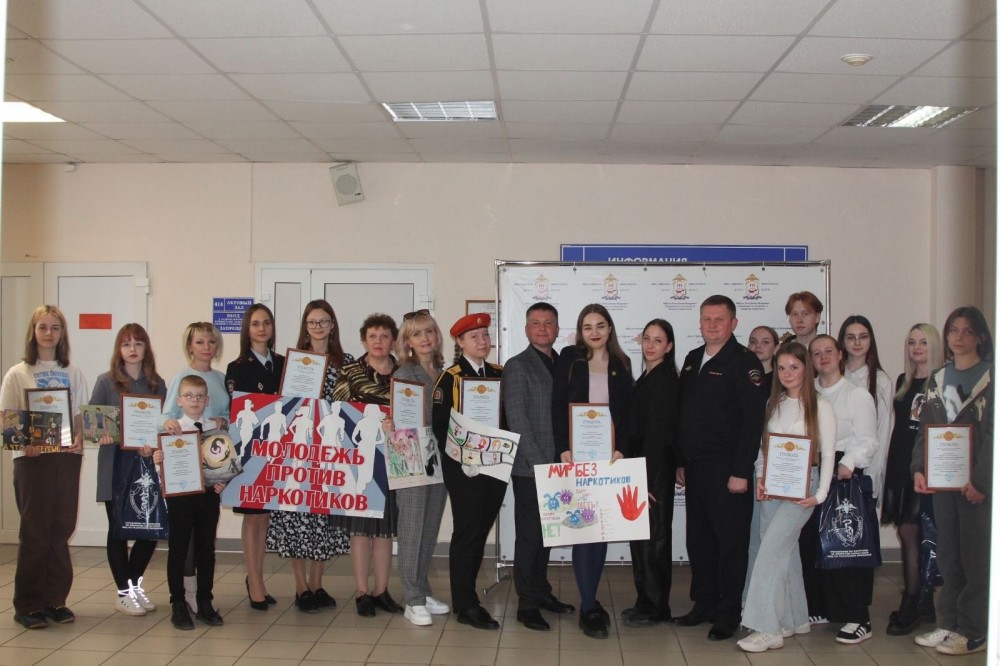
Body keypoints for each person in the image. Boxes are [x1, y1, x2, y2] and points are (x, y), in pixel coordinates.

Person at [673, 295, 767, 641]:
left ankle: (728, 613)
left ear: (733, 324)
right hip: (695, 467)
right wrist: (681, 461)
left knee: (730, 542)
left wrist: (741, 471)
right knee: (699, 540)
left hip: (728, 468)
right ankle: (704, 604)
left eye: (719, 319)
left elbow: (752, 421)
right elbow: (684, 413)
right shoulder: (692, 359)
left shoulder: (744, 362)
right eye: (707, 319)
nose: (712, 325)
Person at [737, 342, 836, 652]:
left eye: (794, 367)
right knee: (785, 551)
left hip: (803, 490)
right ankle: (794, 619)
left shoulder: (821, 406)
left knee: (770, 553)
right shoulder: (774, 403)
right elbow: (763, 447)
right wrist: (761, 477)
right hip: (772, 486)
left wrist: (820, 495)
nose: (787, 373)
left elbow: (829, 454)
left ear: (806, 368)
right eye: (781, 368)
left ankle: (767, 628)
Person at [911, 307, 993, 656]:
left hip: (976, 487)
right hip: (943, 482)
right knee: (948, 554)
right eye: (953, 331)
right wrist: (919, 468)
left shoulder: (990, 377)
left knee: (975, 557)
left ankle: (973, 630)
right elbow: (925, 429)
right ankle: (948, 622)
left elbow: (993, 436)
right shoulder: (937, 379)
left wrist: (981, 481)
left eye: (967, 331)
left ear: (980, 337)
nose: (959, 338)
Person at [0, 305, 87, 629]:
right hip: (32, 460)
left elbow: (79, 414)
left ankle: (55, 601)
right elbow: (7, 417)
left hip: (66, 457)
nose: (49, 333)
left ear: (63, 333)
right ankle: (28, 605)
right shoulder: (18, 372)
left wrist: (79, 437)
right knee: (35, 530)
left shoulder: (73, 371)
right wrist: (25, 442)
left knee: (61, 527)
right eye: (43, 327)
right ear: (33, 331)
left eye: (55, 327)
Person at [552, 304, 633, 639]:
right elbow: (557, 406)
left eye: (600, 325)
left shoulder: (622, 364)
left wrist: (621, 448)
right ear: (580, 331)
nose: (595, 332)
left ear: (610, 329)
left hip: (609, 460)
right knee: (584, 529)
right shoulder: (570, 359)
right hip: (576, 458)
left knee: (600, 531)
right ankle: (588, 606)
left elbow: (628, 413)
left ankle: (591, 599)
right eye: (588, 327)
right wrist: (563, 447)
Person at [266, 300, 352, 613]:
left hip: (330, 453)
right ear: (305, 326)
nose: (318, 327)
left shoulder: (346, 363)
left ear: (333, 325)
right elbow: (282, 405)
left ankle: (318, 584)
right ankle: (301, 586)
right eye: (312, 321)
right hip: (299, 453)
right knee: (297, 517)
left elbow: (350, 406)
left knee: (324, 519)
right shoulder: (292, 362)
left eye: (323, 321)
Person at [503, 303, 575, 632]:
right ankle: (527, 604)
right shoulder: (517, 366)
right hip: (532, 468)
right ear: (527, 329)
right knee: (530, 537)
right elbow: (518, 420)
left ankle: (542, 591)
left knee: (549, 534)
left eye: (549, 323)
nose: (543, 328)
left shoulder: (565, 364)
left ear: (557, 329)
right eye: (536, 323)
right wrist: (541, 466)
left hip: (561, 466)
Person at [431, 312, 503, 630]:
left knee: (480, 531)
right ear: (460, 342)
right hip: (464, 470)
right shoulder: (450, 378)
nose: (482, 341)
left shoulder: (499, 374)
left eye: (485, 335)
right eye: (474, 336)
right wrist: (466, 454)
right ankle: (465, 603)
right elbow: (440, 426)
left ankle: (466, 599)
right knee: (467, 533)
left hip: (495, 466)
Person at [806, 335, 879, 644]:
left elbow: (869, 440)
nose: (823, 357)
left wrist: (848, 462)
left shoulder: (856, 394)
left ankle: (859, 617)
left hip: (844, 474)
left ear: (840, 355)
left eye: (828, 351)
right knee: (814, 543)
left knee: (847, 545)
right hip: (811, 471)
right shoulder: (807, 392)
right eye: (816, 353)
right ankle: (822, 607)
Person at [91, 323, 166, 616]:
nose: (132, 349)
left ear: (146, 347)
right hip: (115, 465)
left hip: (147, 466)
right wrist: (101, 434)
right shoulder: (105, 382)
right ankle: (123, 593)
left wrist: (155, 443)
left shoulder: (157, 384)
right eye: (126, 344)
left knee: (149, 529)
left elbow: (164, 425)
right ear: (118, 350)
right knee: (118, 530)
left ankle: (133, 587)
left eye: (138, 343)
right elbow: (94, 424)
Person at [332, 313, 402, 618]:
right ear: (363, 340)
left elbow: (412, 413)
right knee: (360, 528)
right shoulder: (349, 372)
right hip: (359, 459)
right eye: (372, 336)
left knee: (384, 530)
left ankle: (381, 590)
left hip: (392, 460)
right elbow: (338, 412)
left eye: (384, 336)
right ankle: (362, 591)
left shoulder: (403, 374)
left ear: (393, 341)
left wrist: (396, 424)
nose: (378, 341)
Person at [160, 321, 229, 613]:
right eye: (200, 342)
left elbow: (227, 417)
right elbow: (165, 416)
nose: (206, 347)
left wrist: (224, 420)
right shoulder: (181, 377)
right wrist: (168, 426)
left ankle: (202, 598)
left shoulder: (221, 378)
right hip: (183, 471)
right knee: (181, 544)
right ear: (190, 345)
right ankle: (183, 597)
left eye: (211, 342)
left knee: (204, 544)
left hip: (212, 469)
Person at [881, 324, 943, 635]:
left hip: (926, 465)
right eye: (912, 342)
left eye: (923, 342)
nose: (917, 348)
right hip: (900, 462)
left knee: (916, 531)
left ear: (934, 346)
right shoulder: (904, 381)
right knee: (909, 532)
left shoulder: (943, 382)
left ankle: (914, 600)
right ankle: (923, 601)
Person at [392, 310, 450, 626]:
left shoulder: (444, 373)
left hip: (440, 459)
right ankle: (412, 600)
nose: (425, 338)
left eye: (429, 331)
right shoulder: (405, 373)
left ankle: (423, 591)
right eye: (417, 334)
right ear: (408, 342)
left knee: (429, 528)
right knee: (412, 528)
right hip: (412, 457)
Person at [224, 303, 284, 611]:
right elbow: (237, 410)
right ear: (247, 329)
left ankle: (257, 577)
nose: (262, 328)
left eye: (267, 323)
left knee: (265, 516)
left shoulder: (284, 363)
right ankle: (255, 581)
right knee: (252, 515)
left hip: (277, 451)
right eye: (256, 323)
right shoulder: (238, 367)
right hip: (250, 452)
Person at [622, 318, 678, 628]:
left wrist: (647, 480)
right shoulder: (647, 376)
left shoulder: (665, 381)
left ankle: (657, 606)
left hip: (652, 471)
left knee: (654, 539)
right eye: (647, 339)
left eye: (658, 340)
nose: (651, 345)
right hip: (639, 468)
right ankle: (645, 600)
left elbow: (657, 436)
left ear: (669, 347)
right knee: (641, 538)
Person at [838, 315, 893, 509]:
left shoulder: (881, 381)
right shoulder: (833, 376)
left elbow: (883, 432)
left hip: (863, 467)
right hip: (833, 465)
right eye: (851, 337)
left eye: (863, 337)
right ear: (843, 341)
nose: (857, 342)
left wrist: (872, 477)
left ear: (871, 341)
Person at [744, 324, 779, 604]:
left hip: (777, 467)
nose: (758, 346)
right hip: (749, 463)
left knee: (771, 536)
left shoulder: (783, 381)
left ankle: (766, 598)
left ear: (776, 348)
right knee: (752, 535)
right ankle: (749, 596)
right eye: (753, 341)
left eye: (765, 341)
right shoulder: (745, 378)